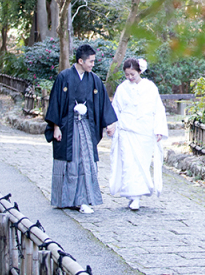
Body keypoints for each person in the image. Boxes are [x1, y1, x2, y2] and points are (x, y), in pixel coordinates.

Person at [44, 44, 117, 214]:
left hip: (85, 126)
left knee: (86, 161)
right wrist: (56, 127)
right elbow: (55, 103)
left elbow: (103, 103)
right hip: (66, 126)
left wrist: (110, 123)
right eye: (90, 61)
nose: (93, 64)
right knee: (70, 162)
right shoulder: (64, 77)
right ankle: (66, 199)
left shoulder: (94, 80)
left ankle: (83, 200)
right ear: (80, 61)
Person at [108, 58, 168, 210]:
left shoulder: (150, 87)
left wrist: (159, 129)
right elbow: (115, 108)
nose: (129, 78)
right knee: (128, 162)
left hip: (144, 131)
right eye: (127, 75)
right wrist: (112, 125)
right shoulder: (122, 88)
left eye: (132, 74)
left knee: (141, 162)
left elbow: (158, 109)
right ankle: (133, 195)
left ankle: (138, 195)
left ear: (139, 71)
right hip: (126, 130)